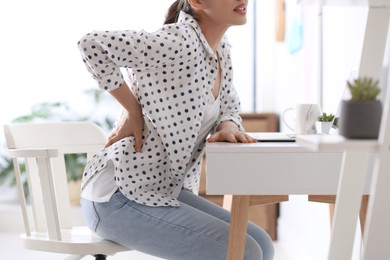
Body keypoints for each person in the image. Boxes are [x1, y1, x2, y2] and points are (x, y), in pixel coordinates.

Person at [77, 0, 274, 259]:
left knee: (262, 243)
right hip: (117, 196)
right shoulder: (177, 41)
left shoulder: (220, 50)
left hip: (160, 190)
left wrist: (227, 125)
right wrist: (133, 110)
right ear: (197, 2)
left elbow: (229, 107)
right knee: (245, 252)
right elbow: (91, 44)